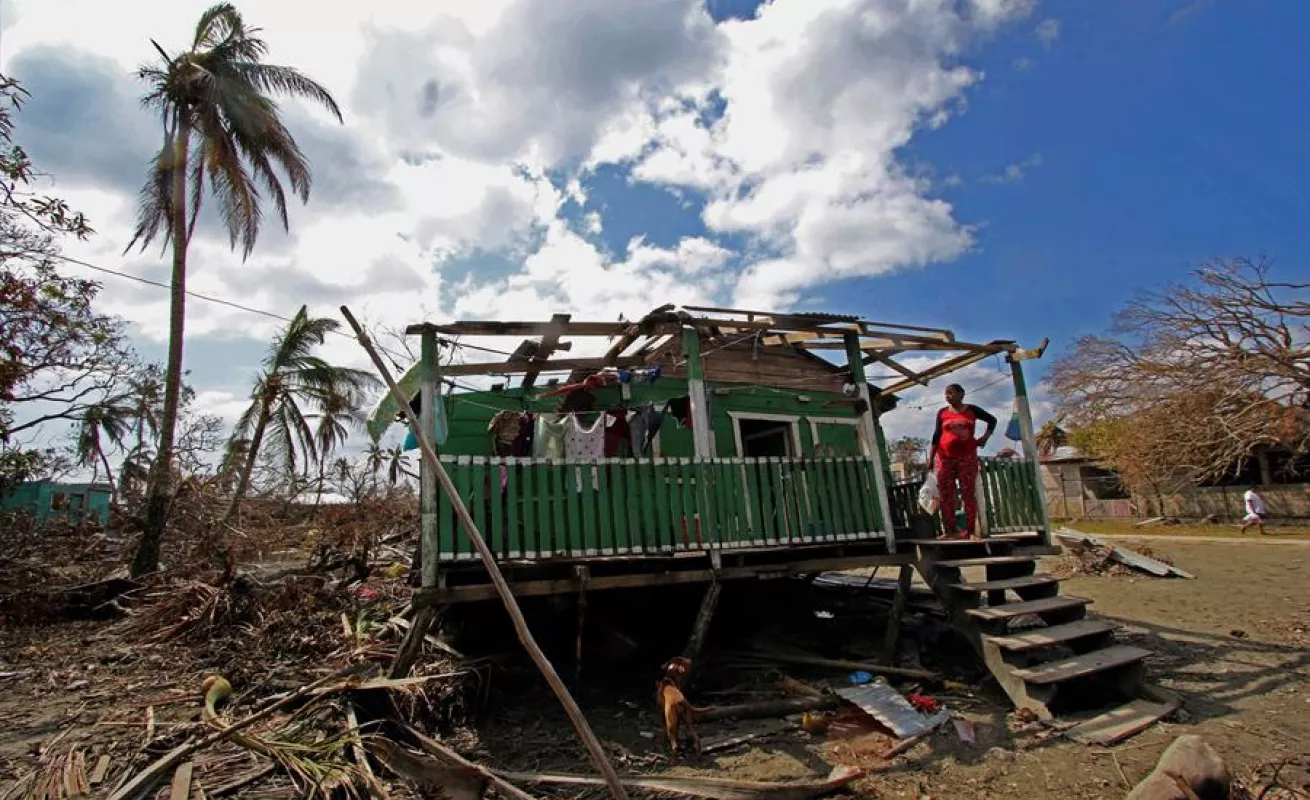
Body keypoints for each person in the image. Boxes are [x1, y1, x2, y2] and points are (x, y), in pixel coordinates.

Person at [928, 384, 997, 540]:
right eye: (946, 394)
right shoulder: (942, 413)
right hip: (945, 458)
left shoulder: (972, 410)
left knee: (968, 494)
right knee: (946, 495)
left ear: (961, 394)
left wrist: (985, 438)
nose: (947, 396)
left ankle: (971, 531)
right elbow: (936, 435)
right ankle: (950, 531)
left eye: (951, 393)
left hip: (967, 458)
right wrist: (931, 458)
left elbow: (992, 420)